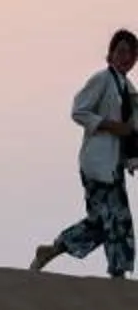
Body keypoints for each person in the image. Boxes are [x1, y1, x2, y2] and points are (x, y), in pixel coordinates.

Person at [32, 30, 138, 279]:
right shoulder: (102, 80)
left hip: (114, 165)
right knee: (116, 221)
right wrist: (109, 125)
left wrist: (132, 159)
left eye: (132, 53)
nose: (127, 57)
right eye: (121, 51)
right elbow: (79, 110)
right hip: (97, 163)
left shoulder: (130, 90)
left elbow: (132, 132)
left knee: (103, 223)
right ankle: (118, 275)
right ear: (110, 54)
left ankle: (53, 249)